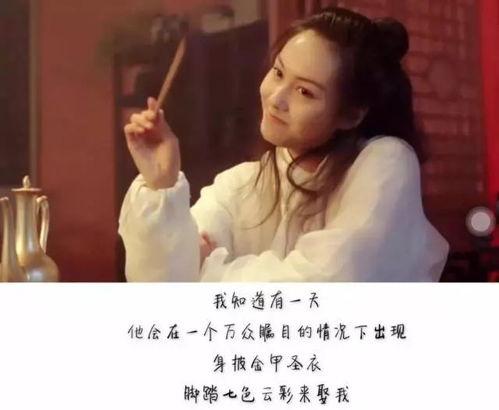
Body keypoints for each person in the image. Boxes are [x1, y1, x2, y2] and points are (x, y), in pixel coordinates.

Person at [118, 7, 449, 282]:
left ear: (350, 115)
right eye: (278, 73)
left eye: (305, 91)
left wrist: (208, 272)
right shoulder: (240, 184)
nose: (276, 98)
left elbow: (330, 284)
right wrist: (161, 183)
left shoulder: (385, 161)